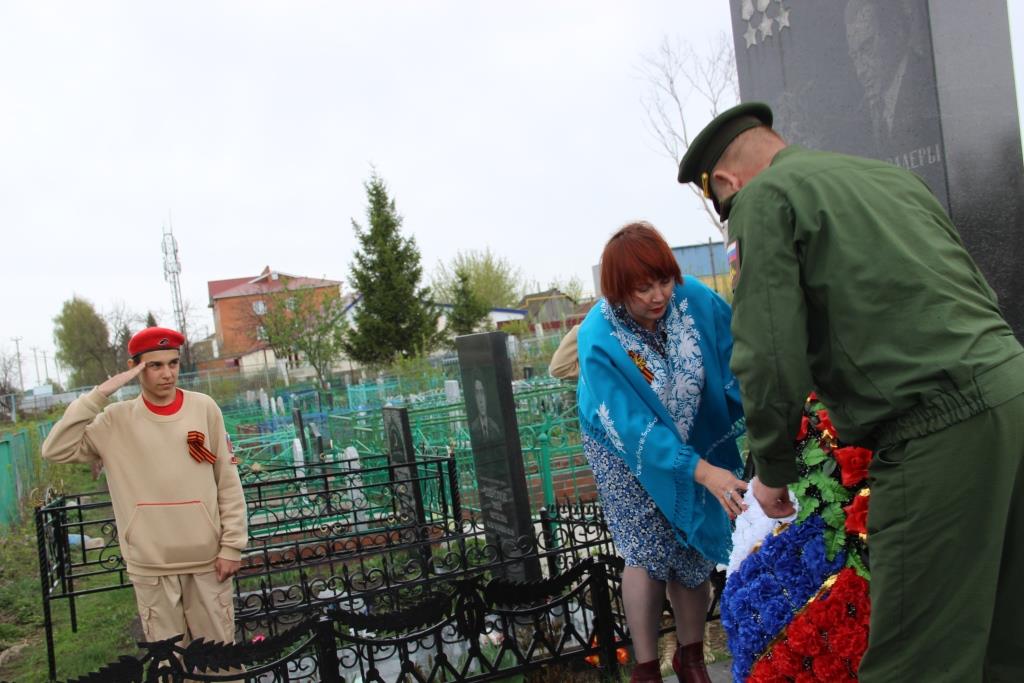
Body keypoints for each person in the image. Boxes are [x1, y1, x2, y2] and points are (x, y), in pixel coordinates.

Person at [678, 102, 1024, 682]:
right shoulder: (890, 179)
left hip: (933, 429)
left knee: (914, 660)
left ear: (728, 183)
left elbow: (768, 351)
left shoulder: (763, 199)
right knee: (1005, 640)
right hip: (1010, 391)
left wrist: (772, 469)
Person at [577, 223, 747, 683]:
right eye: (643, 288)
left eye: (665, 281)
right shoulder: (598, 336)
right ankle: (647, 668)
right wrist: (702, 471)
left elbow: (739, 354)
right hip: (620, 441)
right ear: (617, 290)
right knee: (647, 544)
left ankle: (692, 658)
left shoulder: (694, 299)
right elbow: (632, 425)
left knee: (691, 543)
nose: (659, 296)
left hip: (689, 425)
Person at [42, 327, 248, 648]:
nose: (167, 374)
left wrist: (232, 546)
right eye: (155, 365)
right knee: (168, 663)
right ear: (134, 368)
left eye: (173, 363)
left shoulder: (204, 408)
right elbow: (55, 449)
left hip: (207, 562)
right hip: (150, 566)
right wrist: (99, 395)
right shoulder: (114, 420)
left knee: (220, 662)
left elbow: (227, 480)